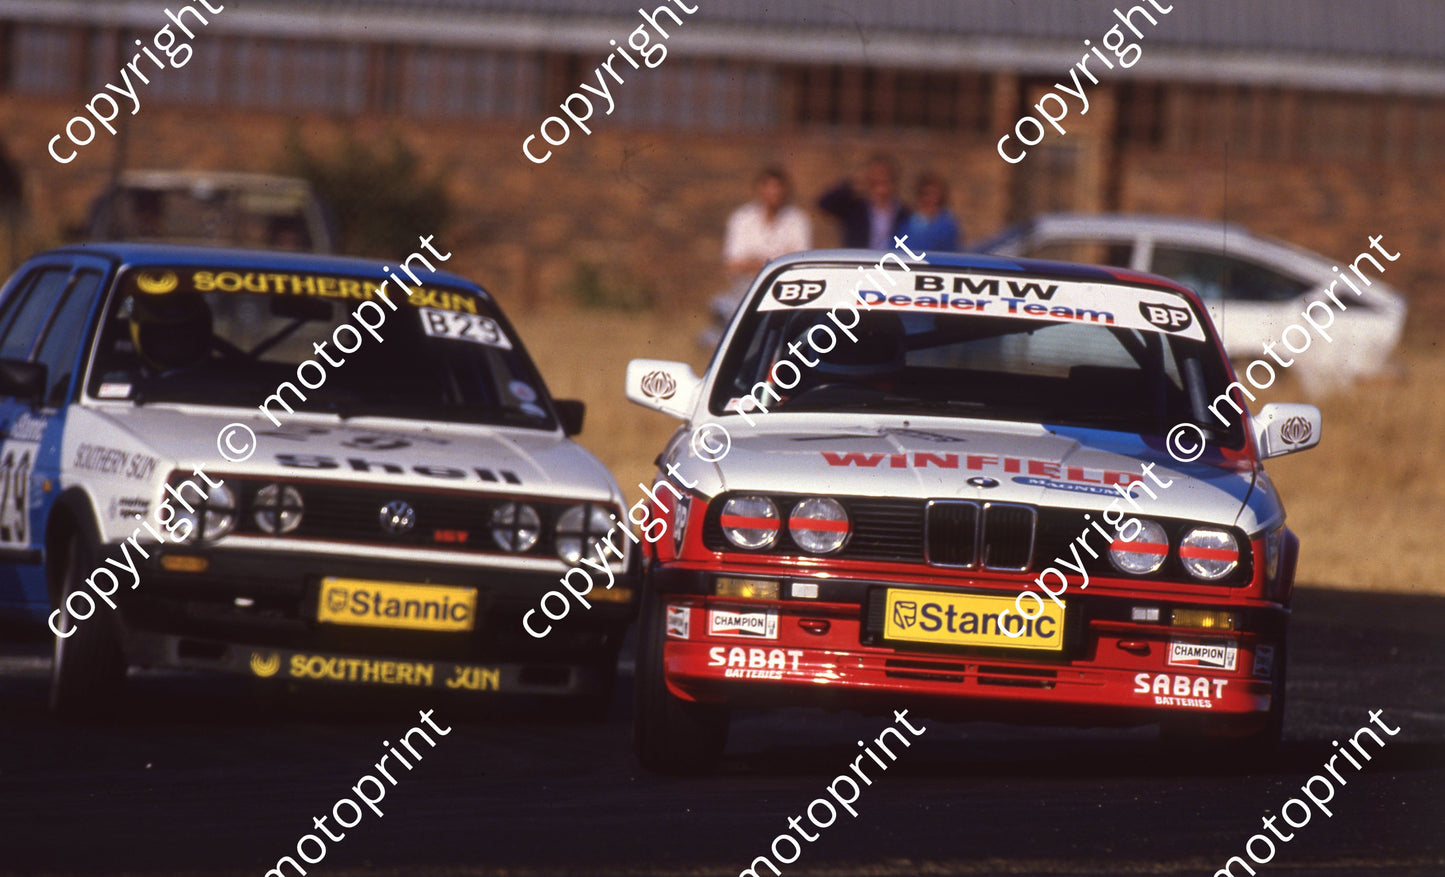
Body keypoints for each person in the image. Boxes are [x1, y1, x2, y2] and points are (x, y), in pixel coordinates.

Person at [723, 167, 812, 278]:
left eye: (779, 187)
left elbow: (801, 259)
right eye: (770, 187)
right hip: (747, 285)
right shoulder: (742, 218)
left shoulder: (797, 218)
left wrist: (756, 261)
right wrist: (778, 260)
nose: (775, 192)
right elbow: (733, 264)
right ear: (759, 189)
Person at [817, 153, 910, 249]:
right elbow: (824, 203)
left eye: (885, 179)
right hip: (860, 260)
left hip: (890, 261)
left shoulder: (903, 214)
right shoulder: (856, 210)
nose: (880, 184)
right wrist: (853, 184)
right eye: (876, 180)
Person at [900, 172, 961, 252]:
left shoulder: (947, 225)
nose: (931, 199)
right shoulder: (908, 221)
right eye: (927, 194)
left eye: (934, 194)